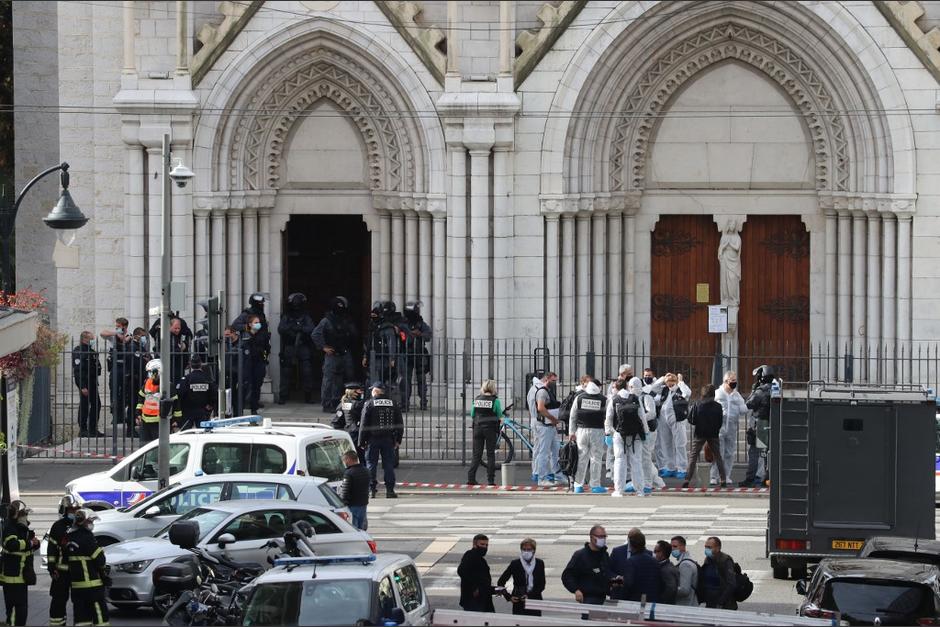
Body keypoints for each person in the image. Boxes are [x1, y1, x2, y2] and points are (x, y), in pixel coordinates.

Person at [358, 382, 404, 498]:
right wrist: (398, 440)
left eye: (372, 390)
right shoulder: (393, 404)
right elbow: (400, 424)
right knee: (388, 465)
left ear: (376, 391)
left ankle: (371, 490)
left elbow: (363, 425)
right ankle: (390, 491)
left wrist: (361, 441)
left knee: (371, 464)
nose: (371, 392)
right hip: (388, 439)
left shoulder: (369, 404)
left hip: (372, 439)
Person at [312, 296, 358, 412]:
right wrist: (323, 347)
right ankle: (327, 404)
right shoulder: (326, 320)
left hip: (345, 353)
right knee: (329, 380)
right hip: (332, 354)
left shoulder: (346, 319)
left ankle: (338, 402)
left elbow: (353, 335)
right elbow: (315, 334)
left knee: (341, 380)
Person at [67, 509, 110, 626]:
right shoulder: (87, 537)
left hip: (76, 588)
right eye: (91, 521)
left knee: (82, 620)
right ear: (85, 522)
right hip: (92, 587)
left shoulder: (69, 538)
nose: (92, 523)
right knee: (101, 618)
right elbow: (100, 560)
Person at [606, 380, 649, 496]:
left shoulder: (614, 400)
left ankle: (619, 490)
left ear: (616, 388)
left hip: (619, 434)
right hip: (636, 435)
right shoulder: (635, 398)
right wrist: (646, 432)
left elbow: (609, 419)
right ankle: (640, 490)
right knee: (636, 461)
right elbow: (642, 417)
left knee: (619, 461)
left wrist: (608, 434)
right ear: (626, 386)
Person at [1, 500, 39, 626]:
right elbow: (12, 544)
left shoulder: (21, 528)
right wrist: (29, 543)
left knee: (22, 613)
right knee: (14, 613)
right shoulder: (9, 527)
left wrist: (35, 543)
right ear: (17, 515)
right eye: (24, 514)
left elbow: (27, 548)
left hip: (21, 578)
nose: (26, 517)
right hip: (13, 579)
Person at [683, 385, 729, 488]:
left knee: (693, 457)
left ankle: (687, 479)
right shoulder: (718, 406)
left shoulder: (697, 404)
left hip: (699, 433)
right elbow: (720, 422)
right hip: (713, 433)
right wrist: (715, 429)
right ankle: (723, 479)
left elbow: (691, 420)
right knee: (718, 456)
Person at [568, 379, 608, 494]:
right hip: (598, 431)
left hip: (581, 431)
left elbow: (573, 416)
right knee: (596, 458)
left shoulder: (579, 398)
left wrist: (571, 432)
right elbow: (608, 416)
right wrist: (609, 432)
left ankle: (578, 485)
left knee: (581, 458)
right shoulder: (604, 399)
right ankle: (595, 485)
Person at [277, 292, 316, 405]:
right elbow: (281, 329)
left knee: (307, 372)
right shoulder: (287, 316)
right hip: (289, 347)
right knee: (286, 372)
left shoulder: (306, 316)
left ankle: (308, 396)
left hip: (303, 346)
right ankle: (283, 396)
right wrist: (293, 327)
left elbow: (311, 329)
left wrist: (301, 328)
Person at [651, 373, 691, 479]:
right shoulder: (664, 390)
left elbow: (687, 393)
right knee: (666, 444)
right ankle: (670, 467)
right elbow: (654, 388)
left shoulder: (680, 390)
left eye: (672, 381)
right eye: (668, 381)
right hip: (663, 419)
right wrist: (662, 378)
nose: (670, 383)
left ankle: (682, 468)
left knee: (680, 444)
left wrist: (680, 381)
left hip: (677, 419)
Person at [47, 495, 79, 627]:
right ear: (65, 510)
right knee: (58, 601)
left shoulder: (80, 525)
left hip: (78, 572)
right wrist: (52, 567)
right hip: (61, 573)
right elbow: (51, 549)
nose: (74, 513)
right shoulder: (58, 526)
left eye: (76, 510)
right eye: (71, 510)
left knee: (80, 602)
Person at [561, 525, 612, 605]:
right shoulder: (580, 555)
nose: (603, 539)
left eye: (604, 536)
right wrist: (576, 590)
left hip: (603, 597)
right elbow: (567, 575)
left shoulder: (604, 554)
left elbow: (607, 573)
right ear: (592, 537)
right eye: (600, 536)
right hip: (589, 598)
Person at [713, 370, 747, 486]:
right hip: (718, 428)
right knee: (718, 453)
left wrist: (739, 408)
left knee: (729, 453)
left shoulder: (736, 395)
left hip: (732, 428)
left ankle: (726, 476)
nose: (734, 383)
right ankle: (714, 476)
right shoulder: (718, 393)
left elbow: (744, 409)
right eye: (732, 380)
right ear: (726, 381)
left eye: (735, 380)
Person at [135, 359, 181, 442]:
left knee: (158, 446)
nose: (149, 375)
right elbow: (141, 398)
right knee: (144, 446)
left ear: (157, 372)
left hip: (160, 421)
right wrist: (138, 413)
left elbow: (176, 403)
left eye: (150, 372)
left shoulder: (168, 385)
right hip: (145, 420)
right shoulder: (147, 383)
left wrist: (176, 420)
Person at [743, 365, 775, 487]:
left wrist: (753, 391)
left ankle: (752, 478)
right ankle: (766, 477)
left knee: (755, 452)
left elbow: (749, 404)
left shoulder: (760, 391)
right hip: (772, 423)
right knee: (768, 452)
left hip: (760, 424)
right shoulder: (777, 388)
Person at [467, 379, 503, 486]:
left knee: (477, 455)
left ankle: (471, 478)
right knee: (490, 455)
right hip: (490, 429)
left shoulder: (477, 399)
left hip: (478, 428)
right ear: (493, 388)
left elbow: (472, 414)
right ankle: (490, 480)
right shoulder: (495, 401)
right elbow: (499, 415)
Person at [497, 538, 545, 616]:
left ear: (534, 551)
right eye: (524, 549)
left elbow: (541, 585)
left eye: (529, 549)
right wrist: (508, 597)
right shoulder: (515, 564)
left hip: (535, 600)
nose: (526, 552)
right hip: (519, 601)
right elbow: (501, 582)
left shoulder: (539, 563)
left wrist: (529, 595)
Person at [528, 372, 561, 487]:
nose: (555, 383)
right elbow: (541, 408)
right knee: (544, 452)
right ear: (547, 379)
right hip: (543, 424)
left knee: (552, 449)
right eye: (553, 380)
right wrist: (553, 419)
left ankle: (554, 475)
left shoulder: (534, 388)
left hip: (542, 423)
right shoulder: (542, 391)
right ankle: (541, 478)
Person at [99, 317, 132, 429]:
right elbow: (102, 333)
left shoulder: (130, 336)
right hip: (115, 367)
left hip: (126, 367)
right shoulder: (113, 337)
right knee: (114, 390)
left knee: (125, 391)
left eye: (119, 327)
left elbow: (129, 340)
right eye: (116, 327)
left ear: (125, 327)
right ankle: (115, 415)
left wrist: (124, 338)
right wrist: (116, 333)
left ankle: (123, 414)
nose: (117, 328)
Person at [363, 301, 403, 392]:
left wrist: (392, 358)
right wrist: (365, 356)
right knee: (370, 379)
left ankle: (381, 399)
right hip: (372, 357)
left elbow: (391, 343)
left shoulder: (387, 327)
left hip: (382, 357)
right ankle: (370, 398)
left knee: (381, 380)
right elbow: (368, 342)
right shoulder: (372, 326)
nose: (373, 317)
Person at [611, 529, 659, 602]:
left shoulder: (631, 561)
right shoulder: (654, 560)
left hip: (633, 600)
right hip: (649, 599)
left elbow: (629, 584)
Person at [401, 301, 431, 411]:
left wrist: (420, 334)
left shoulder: (420, 323)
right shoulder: (403, 324)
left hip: (419, 354)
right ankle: (405, 404)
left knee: (421, 380)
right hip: (407, 354)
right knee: (406, 380)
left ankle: (423, 403)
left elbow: (428, 335)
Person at [72, 331, 103, 438]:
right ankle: (83, 429)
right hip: (85, 383)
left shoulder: (92, 352)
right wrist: (82, 386)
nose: (93, 340)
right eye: (91, 339)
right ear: (84, 339)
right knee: (84, 406)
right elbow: (78, 370)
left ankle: (93, 429)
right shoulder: (78, 351)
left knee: (96, 405)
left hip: (93, 382)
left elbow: (98, 367)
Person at [176, 355, 218, 430]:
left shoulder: (187, 379)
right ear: (201, 364)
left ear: (190, 365)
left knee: (185, 433)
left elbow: (180, 393)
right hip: (203, 410)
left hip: (188, 411)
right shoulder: (207, 378)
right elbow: (214, 393)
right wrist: (210, 405)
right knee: (203, 433)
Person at [240, 313, 270, 414]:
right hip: (247, 364)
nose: (258, 324)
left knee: (256, 387)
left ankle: (254, 408)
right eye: (256, 323)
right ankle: (240, 408)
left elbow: (267, 349)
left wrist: (265, 359)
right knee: (245, 386)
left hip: (259, 363)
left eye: (259, 322)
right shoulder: (245, 335)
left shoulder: (263, 335)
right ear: (250, 324)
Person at [458, 534, 496, 612]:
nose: (485, 547)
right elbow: (461, 571)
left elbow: (483, 580)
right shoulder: (470, 555)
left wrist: (493, 589)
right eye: (482, 544)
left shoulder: (481, 559)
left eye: (486, 545)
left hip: (483, 598)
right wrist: (475, 588)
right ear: (474, 544)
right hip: (474, 600)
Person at [699, 536, 737, 610]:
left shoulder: (725, 560)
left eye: (709, 547)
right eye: (706, 547)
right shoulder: (708, 559)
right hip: (710, 601)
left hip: (723, 604)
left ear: (718, 548)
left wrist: (720, 602)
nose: (706, 550)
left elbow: (731, 584)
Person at [332, 382, 367, 462]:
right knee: (361, 457)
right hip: (358, 433)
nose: (361, 392)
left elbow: (336, 420)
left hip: (349, 433)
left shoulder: (343, 403)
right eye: (359, 390)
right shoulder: (358, 404)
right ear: (353, 392)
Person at [339, 449, 370, 530]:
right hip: (363, 503)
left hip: (353, 505)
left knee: (354, 528)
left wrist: (342, 503)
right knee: (362, 527)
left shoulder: (349, 473)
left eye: (344, 460)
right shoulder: (366, 470)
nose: (344, 462)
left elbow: (345, 491)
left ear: (349, 459)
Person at [670, 535, 700, 607]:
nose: (672, 549)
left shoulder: (685, 565)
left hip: (687, 605)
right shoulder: (686, 561)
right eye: (671, 547)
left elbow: (684, 590)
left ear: (683, 547)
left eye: (675, 546)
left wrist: (669, 590)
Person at [654, 540, 678, 604]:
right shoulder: (665, 566)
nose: (654, 554)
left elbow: (671, 589)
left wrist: (660, 601)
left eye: (656, 551)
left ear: (663, 553)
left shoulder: (666, 570)